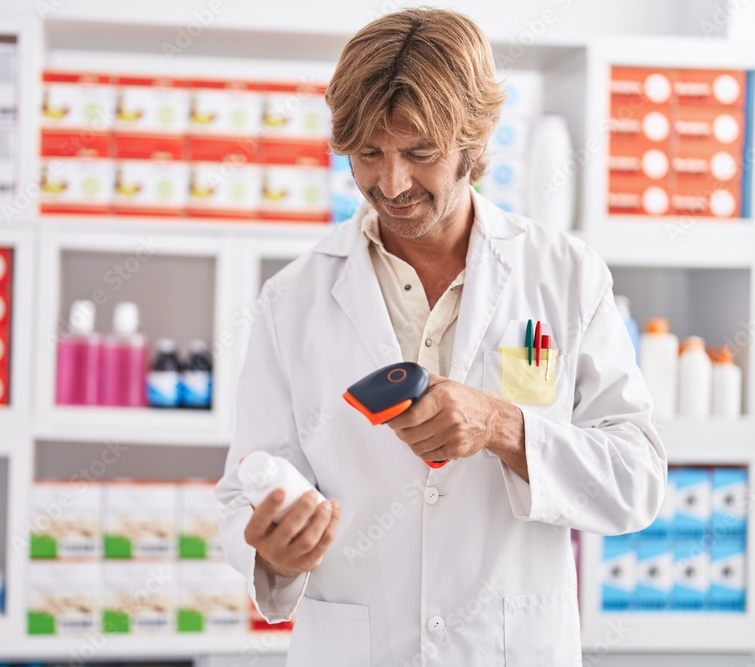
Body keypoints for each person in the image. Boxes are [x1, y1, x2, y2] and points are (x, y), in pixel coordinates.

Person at [215, 8, 667, 666]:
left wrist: (504, 427)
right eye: (368, 153)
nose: (391, 184)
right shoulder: (293, 300)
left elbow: (638, 478)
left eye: (420, 153)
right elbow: (242, 489)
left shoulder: (564, 276)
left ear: (475, 143)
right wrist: (271, 549)